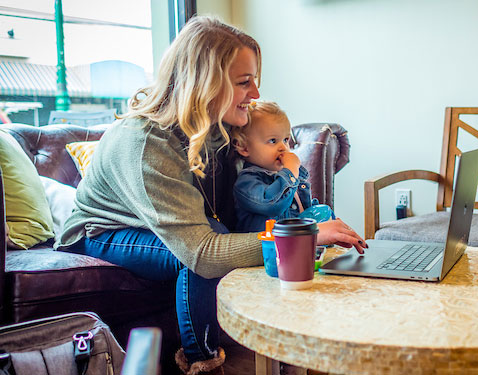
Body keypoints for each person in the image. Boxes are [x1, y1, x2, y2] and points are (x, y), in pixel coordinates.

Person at [56, 15, 366, 375]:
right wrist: (302, 236)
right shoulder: (145, 143)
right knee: (202, 255)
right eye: (244, 82)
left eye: (255, 81)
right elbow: (202, 253)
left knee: (232, 236)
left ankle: (287, 340)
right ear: (204, 82)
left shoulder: (218, 130)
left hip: (165, 226)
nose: (256, 94)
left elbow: (241, 210)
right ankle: (203, 362)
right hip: (100, 233)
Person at [231, 101, 334, 232]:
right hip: (268, 248)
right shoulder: (247, 181)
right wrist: (290, 171)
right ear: (244, 147)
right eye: (273, 141)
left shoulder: (288, 175)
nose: (283, 147)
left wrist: (327, 220)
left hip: (295, 239)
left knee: (324, 211)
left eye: (285, 140)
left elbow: (303, 208)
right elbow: (273, 204)